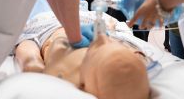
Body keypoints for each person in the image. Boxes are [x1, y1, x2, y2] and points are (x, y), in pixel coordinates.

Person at [14, 8, 153, 99]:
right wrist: (112, 32)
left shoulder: (62, 72)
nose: (101, 39)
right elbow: (136, 57)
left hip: (48, 26)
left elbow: (27, 48)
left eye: (97, 47)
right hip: (92, 19)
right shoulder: (122, 59)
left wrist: (31, 62)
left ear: (82, 86)